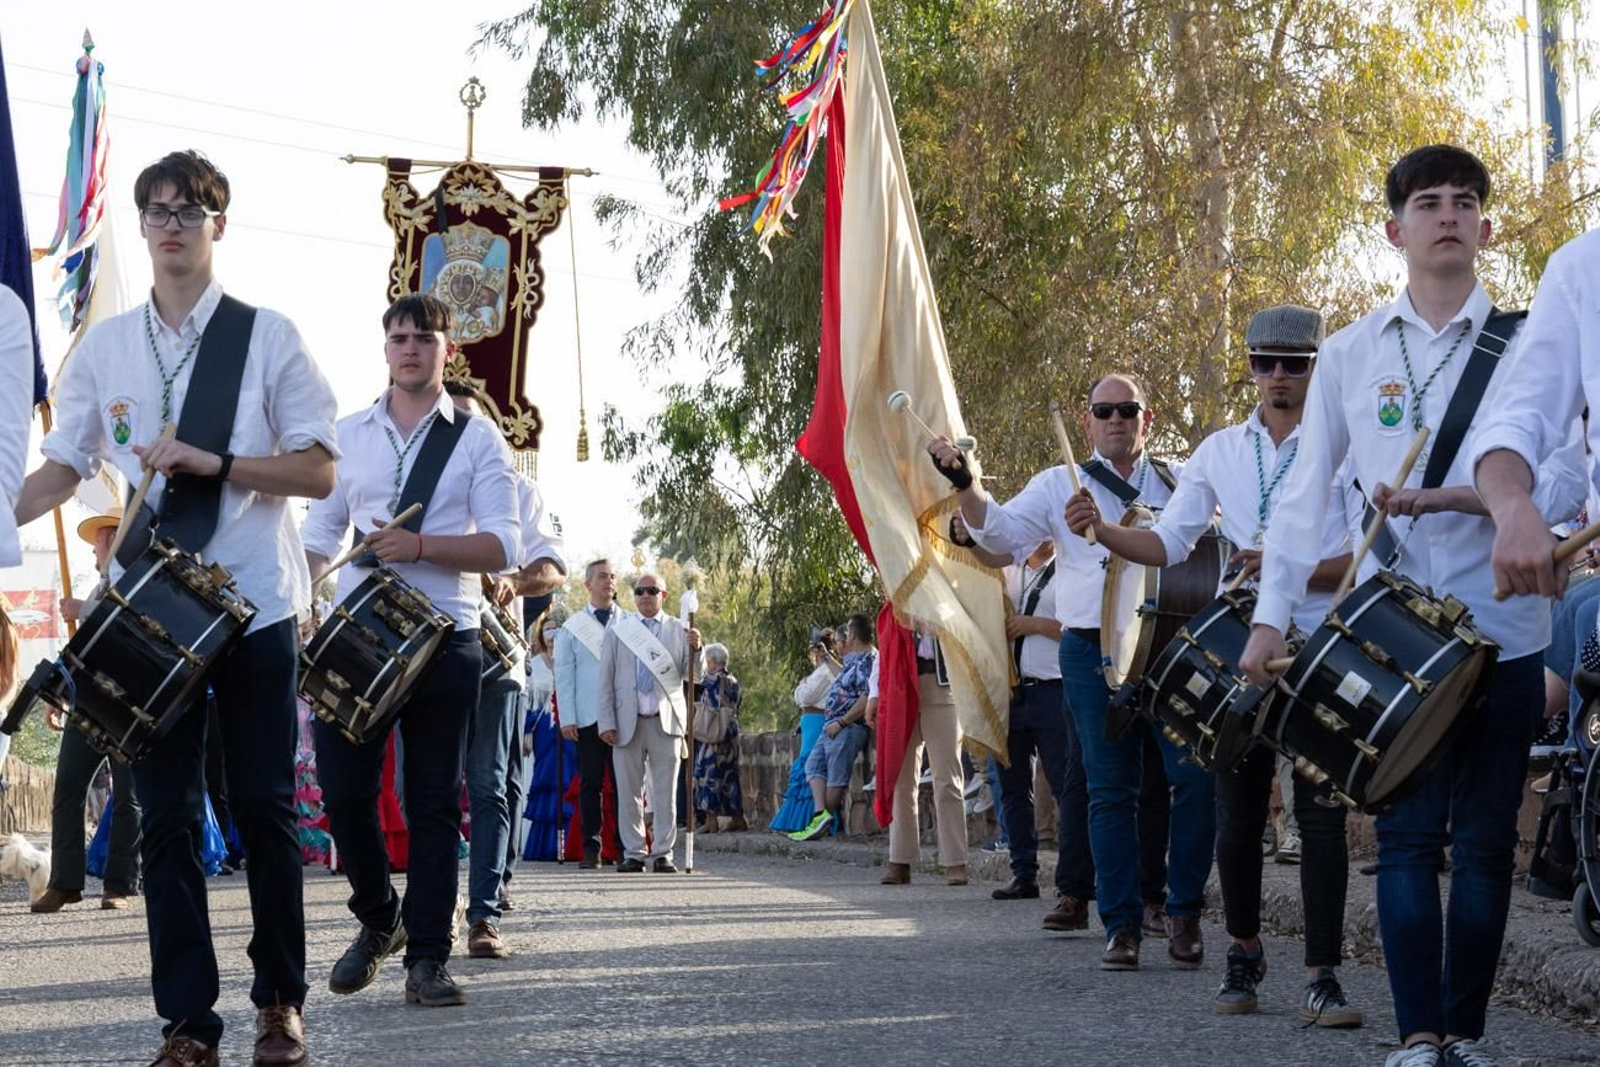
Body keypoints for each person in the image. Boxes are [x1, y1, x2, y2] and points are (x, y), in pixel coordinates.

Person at [1241, 145, 1586, 1067]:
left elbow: (1563, 472)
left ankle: (1465, 1034)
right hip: (1389, 639)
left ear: (1485, 226)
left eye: (1463, 202)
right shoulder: (1352, 352)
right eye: (1426, 202)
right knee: (1405, 839)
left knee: (1480, 846)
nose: (1446, 215)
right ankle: (1418, 1035)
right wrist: (1272, 618)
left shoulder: (1531, 340)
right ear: (1395, 230)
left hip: (1504, 628)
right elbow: (1304, 497)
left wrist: (1473, 500)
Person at [14, 150, 339, 1067]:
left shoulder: (266, 335)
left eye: (188, 210)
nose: (169, 224)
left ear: (216, 226)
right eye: (155, 209)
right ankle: (189, 1023)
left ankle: (281, 1002)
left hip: (253, 603)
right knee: (162, 819)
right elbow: (65, 465)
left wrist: (219, 463)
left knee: (269, 807)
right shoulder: (107, 346)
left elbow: (318, 467)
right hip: (147, 612)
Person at [1067, 306, 1364, 1024]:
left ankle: (1323, 974)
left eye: (1295, 363)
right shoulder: (1221, 450)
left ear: (1315, 367)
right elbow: (1170, 544)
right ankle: (1243, 949)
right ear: (1252, 369)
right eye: (1267, 362)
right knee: (1236, 815)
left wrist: (1293, 568)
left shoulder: (1352, 446)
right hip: (1241, 643)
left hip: (1320, 642)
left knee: (1322, 819)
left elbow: (1365, 556)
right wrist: (1104, 531)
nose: (1280, 376)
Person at [930, 372, 1214, 971]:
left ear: (1147, 418)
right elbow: (1002, 537)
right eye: (1103, 410)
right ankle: (1122, 926)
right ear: (1086, 422)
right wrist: (966, 485)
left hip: (1171, 647)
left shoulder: (1181, 481)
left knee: (1193, 780)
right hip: (1091, 652)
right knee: (1110, 792)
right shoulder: (1058, 483)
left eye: (1127, 409)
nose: (1115, 419)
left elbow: (1210, 542)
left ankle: (1184, 912)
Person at [302, 292, 520, 1009]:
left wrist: (420, 545)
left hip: (445, 636)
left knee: (430, 803)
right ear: (386, 348)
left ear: (445, 348)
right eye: (398, 337)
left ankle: (427, 955)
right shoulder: (350, 433)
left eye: (423, 337)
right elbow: (316, 537)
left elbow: (502, 545)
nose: (410, 348)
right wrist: (296, 596)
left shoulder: (477, 437)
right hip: (359, 634)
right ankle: (379, 917)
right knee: (342, 792)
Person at [445, 381, 565, 959]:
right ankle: (438, 907)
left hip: (495, 656)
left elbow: (553, 567)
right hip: (427, 654)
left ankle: (484, 916)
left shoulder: (519, 490)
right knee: (427, 787)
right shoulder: (413, 484)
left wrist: (514, 581)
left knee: (490, 783)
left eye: (472, 424)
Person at [961, 535, 1095, 932]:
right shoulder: (1007, 570)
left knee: (1066, 787)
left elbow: (1081, 627)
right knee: (1013, 786)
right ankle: (1024, 871)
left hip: (1055, 689)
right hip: (1011, 692)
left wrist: (1034, 625)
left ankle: (1079, 879)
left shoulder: (1068, 570)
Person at [32, 507, 143, 913]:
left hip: (129, 704)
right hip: (88, 700)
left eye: (98, 538)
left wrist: (84, 610)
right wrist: (58, 695)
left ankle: (120, 885)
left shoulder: (138, 580)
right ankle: (65, 882)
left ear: (113, 538)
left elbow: (135, 623)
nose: (93, 548)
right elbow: (81, 651)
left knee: (128, 796)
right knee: (68, 790)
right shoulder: (98, 587)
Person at [595, 571, 702, 873]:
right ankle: (633, 851)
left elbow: (692, 675)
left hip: (665, 721)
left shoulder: (680, 629)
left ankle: (663, 852)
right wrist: (606, 721)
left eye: (651, 590)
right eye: (639, 590)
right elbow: (605, 681)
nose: (644, 596)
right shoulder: (619, 631)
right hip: (627, 720)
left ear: (663, 595)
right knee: (627, 792)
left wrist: (697, 649)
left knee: (665, 793)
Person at [555, 558, 625, 867]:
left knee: (625, 783)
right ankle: (590, 846)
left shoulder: (630, 622)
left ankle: (626, 847)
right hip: (586, 715)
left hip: (623, 714)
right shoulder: (572, 627)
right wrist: (567, 716)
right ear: (588, 584)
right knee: (591, 783)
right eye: (601, 577)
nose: (608, 581)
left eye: (611, 576)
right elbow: (564, 673)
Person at [790, 615, 876, 843]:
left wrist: (843, 722)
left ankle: (822, 821)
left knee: (836, 777)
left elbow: (867, 696)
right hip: (831, 725)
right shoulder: (855, 660)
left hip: (847, 727)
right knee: (813, 766)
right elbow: (844, 677)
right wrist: (827, 658)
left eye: (847, 631)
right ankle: (821, 815)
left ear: (854, 635)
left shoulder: (870, 659)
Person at [771, 630, 841, 833]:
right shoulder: (820, 672)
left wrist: (801, 686)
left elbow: (805, 697)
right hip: (810, 720)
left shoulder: (827, 671)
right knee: (806, 764)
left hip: (817, 718)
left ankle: (814, 818)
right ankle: (804, 818)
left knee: (811, 764)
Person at [693, 643, 747, 832]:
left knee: (708, 774)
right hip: (730, 730)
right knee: (729, 775)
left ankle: (711, 819)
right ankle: (737, 816)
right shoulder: (732, 679)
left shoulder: (714, 680)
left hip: (714, 730)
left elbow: (700, 683)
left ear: (713, 663)